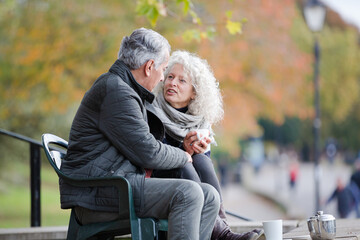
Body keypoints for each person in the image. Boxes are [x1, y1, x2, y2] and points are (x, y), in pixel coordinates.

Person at [60, 28, 221, 240]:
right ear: (149, 67)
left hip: (115, 186)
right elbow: (149, 153)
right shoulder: (117, 91)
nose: (163, 78)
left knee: (209, 196)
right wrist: (184, 155)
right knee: (188, 193)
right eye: (164, 70)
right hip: (99, 194)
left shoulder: (124, 89)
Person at [149, 50, 263, 240]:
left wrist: (198, 151)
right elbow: (154, 156)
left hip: (189, 182)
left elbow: (202, 170)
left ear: (194, 92)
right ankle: (224, 234)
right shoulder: (152, 111)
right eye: (169, 77)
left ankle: (222, 228)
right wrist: (183, 151)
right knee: (185, 164)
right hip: (158, 181)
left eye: (181, 80)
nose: (172, 83)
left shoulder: (199, 123)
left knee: (202, 161)